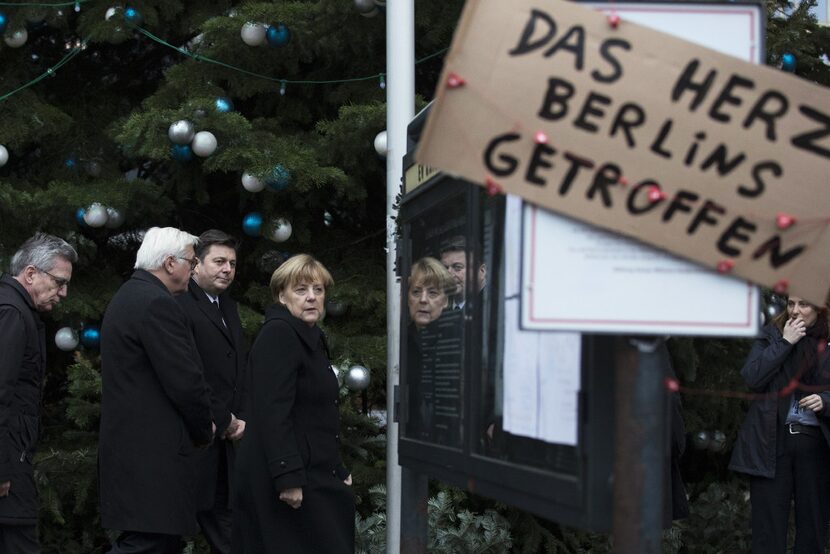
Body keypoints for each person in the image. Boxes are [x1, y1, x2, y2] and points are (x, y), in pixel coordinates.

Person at [99, 227, 215, 553]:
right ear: (169, 263)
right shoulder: (155, 304)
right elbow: (186, 381)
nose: (194, 271)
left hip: (136, 454)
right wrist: (204, 427)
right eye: (191, 263)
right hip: (153, 458)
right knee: (147, 546)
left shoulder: (130, 295)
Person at [233, 254, 354, 553]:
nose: (312, 297)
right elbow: (273, 412)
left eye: (318, 289)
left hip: (312, 470)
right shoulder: (280, 334)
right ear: (281, 295)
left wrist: (337, 467)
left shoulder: (308, 334)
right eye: (301, 290)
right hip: (285, 478)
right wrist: (287, 476)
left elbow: (315, 415)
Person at [729, 295, 830, 553]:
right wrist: (786, 342)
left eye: (804, 304)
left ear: (821, 308)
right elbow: (752, 377)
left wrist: (825, 400)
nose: (795, 311)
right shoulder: (773, 334)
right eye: (791, 304)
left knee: (813, 531)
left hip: (815, 444)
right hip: (772, 441)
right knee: (767, 532)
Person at [0, 233, 77, 552]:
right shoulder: (12, 313)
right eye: (59, 281)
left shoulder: (14, 309)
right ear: (31, 273)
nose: (63, 292)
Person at [176, 229, 247, 554]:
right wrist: (225, 418)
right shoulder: (180, 304)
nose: (227, 269)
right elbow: (191, 373)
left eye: (232, 263)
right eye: (219, 261)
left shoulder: (227, 305)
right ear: (196, 265)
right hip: (195, 441)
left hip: (226, 449)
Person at [404, 257, 459, 444]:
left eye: (433, 293)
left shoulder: (458, 340)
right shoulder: (398, 343)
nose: (423, 300)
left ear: (445, 301)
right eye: (416, 292)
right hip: (410, 446)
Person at [439, 236, 486, 311]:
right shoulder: (437, 312)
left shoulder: (496, 306)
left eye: (457, 267)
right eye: (444, 269)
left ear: (481, 271)